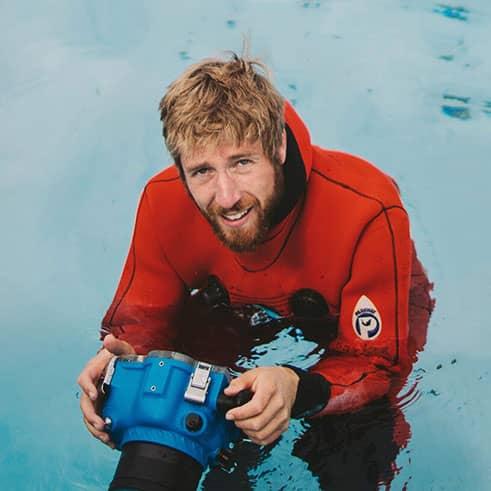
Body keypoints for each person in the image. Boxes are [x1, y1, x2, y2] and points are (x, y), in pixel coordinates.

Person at [77, 53, 432, 455]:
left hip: (346, 316)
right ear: (180, 168)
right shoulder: (163, 202)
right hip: (229, 311)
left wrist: (297, 388)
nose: (227, 197)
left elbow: (378, 362)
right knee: (171, 409)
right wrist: (123, 363)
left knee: (355, 439)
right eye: (202, 171)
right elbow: (141, 322)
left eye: (242, 162)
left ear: (278, 146)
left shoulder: (366, 208)